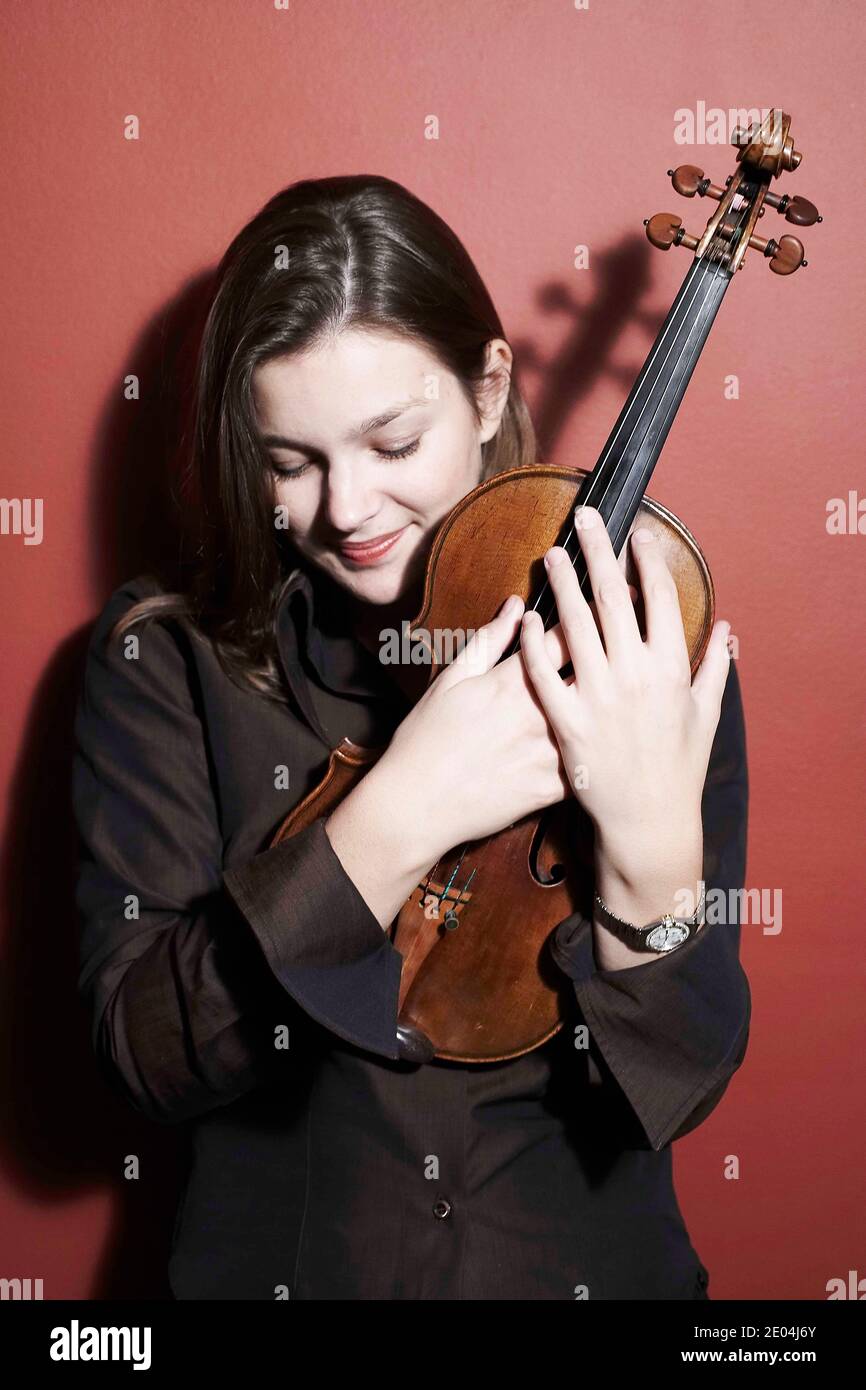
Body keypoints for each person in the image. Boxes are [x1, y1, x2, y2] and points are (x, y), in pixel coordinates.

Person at [72, 174, 750, 1301]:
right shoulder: (166, 661)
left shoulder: (640, 645)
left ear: (487, 391)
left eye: (392, 441)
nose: (344, 507)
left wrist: (650, 866)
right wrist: (399, 808)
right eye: (288, 462)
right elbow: (143, 1051)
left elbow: (675, 1086)